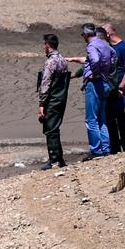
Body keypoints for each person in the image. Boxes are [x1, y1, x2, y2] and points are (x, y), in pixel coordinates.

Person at [67, 23, 116, 160]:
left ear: (86, 34)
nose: (83, 37)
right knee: (101, 118)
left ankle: (96, 150)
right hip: (105, 82)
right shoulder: (104, 44)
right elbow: (113, 56)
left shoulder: (92, 46)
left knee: (91, 119)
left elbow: (95, 59)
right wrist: (105, 70)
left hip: (95, 83)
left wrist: (95, 73)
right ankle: (105, 149)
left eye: (82, 35)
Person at [36, 33, 70, 169]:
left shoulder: (51, 62)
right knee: (55, 127)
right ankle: (58, 158)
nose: (43, 47)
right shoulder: (62, 60)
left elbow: (45, 84)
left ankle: (54, 160)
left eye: (44, 44)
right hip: (61, 98)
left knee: (50, 128)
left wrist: (41, 103)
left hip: (52, 99)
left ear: (47, 45)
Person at [101, 20, 125, 153]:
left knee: (117, 114)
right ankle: (116, 146)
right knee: (113, 116)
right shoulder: (109, 47)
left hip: (119, 88)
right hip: (110, 88)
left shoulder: (124, 48)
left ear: (108, 33)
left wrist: (121, 88)